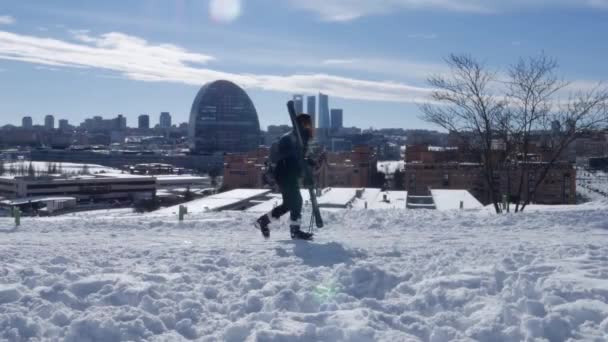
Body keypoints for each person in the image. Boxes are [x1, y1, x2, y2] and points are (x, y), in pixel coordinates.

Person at [255, 113, 315, 240]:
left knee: (288, 204)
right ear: (302, 124)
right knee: (297, 202)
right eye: (308, 123)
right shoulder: (289, 137)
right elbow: (283, 154)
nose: (310, 126)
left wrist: (308, 160)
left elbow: (299, 156)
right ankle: (295, 231)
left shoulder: (299, 137)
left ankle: (263, 221)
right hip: (285, 174)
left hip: (289, 174)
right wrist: (297, 153)